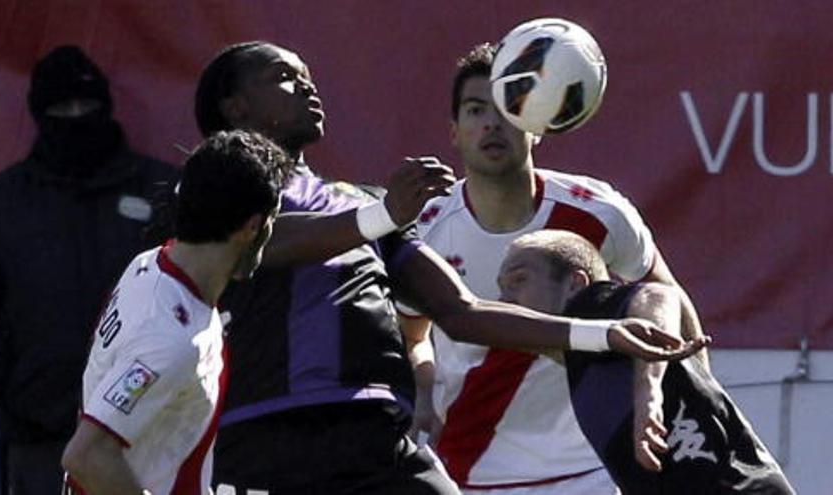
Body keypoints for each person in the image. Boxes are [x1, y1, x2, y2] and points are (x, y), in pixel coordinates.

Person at [192, 41, 704, 495]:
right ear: (234, 107)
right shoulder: (210, 186)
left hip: (376, 439)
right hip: (270, 439)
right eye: (283, 76)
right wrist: (382, 216)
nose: (306, 85)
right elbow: (247, 241)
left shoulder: (358, 203)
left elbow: (461, 310)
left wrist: (607, 335)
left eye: (308, 75)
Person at [398, 43, 712, 493]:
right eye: (474, 110)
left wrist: (701, 407)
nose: (491, 123)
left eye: (508, 107)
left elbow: (667, 300)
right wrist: (424, 394)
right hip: (468, 472)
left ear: (537, 121)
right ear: (454, 131)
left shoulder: (598, 212)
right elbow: (413, 338)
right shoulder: (425, 231)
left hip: (594, 467)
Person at [0, 45, 178, 495]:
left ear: (106, 107)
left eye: (86, 105)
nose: (76, 117)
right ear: (40, 114)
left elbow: (200, 283)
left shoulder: (165, 192)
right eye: (62, 107)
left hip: (155, 425)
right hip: (41, 433)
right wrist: (12, 386)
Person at [60, 130, 291, 495]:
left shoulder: (150, 264)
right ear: (252, 226)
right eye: (273, 218)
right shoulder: (171, 336)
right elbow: (87, 456)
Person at [497, 229, 794, 494]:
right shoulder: (584, 358)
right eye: (501, 288)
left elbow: (658, 294)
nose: (504, 300)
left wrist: (648, 392)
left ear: (575, 283)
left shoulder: (595, 309)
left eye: (519, 280)